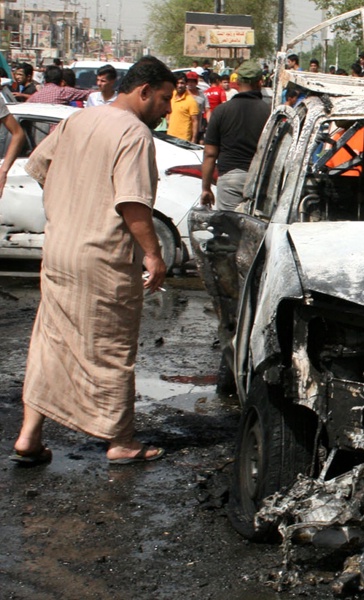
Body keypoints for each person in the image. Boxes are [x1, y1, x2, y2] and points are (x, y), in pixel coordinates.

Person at [9, 56, 176, 466]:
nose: (168, 109)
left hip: (61, 248)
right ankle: (120, 441)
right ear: (144, 91)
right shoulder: (134, 133)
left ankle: (29, 438)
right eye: (165, 99)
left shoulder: (76, 120)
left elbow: (39, 167)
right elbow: (132, 203)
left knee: (49, 339)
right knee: (110, 347)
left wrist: (73, 204)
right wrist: (153, 254)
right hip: (101, 256)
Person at [200, 60, 270, 212]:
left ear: (237, 83)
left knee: (231, 230)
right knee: (259, 231)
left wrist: (205, 188)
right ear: (260, 83)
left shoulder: (221, 111)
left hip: (229, 180)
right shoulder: (270, 113)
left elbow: (210, 154)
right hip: (260, 181)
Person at [27, 65, 91, 105]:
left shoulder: (35, 96)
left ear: (45, 80)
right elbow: (89, 94)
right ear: (61, 81)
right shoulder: (63, 92)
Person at [167, 74, 200, 143]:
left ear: (186, 84)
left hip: (183, 139)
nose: (179, 85)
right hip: (170, 136)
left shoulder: (191, 101)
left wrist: (194, 139)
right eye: (177, 83)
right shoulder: (171, 96)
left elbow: (195, 121)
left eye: (182, 83)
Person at [185, 71, 209, 142]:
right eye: (188, 81)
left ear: (196, 82)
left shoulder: (202, 95)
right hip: (185, 127)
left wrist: (209, 123)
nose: (190, 84)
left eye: (192, 81)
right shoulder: (183, 94)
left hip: (198, 126)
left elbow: (207, 110)